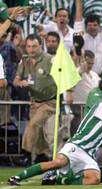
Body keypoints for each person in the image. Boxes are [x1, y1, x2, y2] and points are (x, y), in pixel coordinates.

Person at [8, 89, 102, 186]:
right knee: (57, 163)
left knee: (94, 179)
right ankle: (18, 177)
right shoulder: (100, 107)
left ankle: (60, 179)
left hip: (89, 154)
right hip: (77, 145)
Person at [13, 34, 57, 163]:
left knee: (33, 124)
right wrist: (20, 83)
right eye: (28, 46)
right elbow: (16, 80)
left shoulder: (50, 60)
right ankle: (42, 155)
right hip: (34, 102)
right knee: (38, 130)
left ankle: (25, 154)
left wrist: (69, 92)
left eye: (34, 46)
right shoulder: (24, 60)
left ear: (40, 46)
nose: (31, 49)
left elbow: (62, 76)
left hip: (49, 102)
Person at [74, 0, 102, 74]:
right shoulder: (81, 37)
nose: (92, 27)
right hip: (85, 75)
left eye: (95, 25)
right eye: (89, 25)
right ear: (85, 27)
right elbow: (78, 17)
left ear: (99, 26)